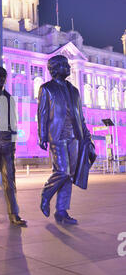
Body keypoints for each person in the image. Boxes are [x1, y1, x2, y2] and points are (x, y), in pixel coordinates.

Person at [37, 54, 95, 225]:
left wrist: (87, 137)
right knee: (62, 171)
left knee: (69, 175)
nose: (68, 67)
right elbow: (42, 113)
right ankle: (46, 194)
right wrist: (42, 135)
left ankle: (61, 211)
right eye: (64, 65)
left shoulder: (74, 90)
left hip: (74, 136)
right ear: (55, 68)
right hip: (57, 135)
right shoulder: (46, 88)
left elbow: (81, 117)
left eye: (68, 65)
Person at [0, 66, 27, 226]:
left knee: (10, 179)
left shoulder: (9, 98)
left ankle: (14, 214)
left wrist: (13, 143)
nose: (1, 79)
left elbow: (14, 122)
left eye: (3, 76)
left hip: (7, 142)